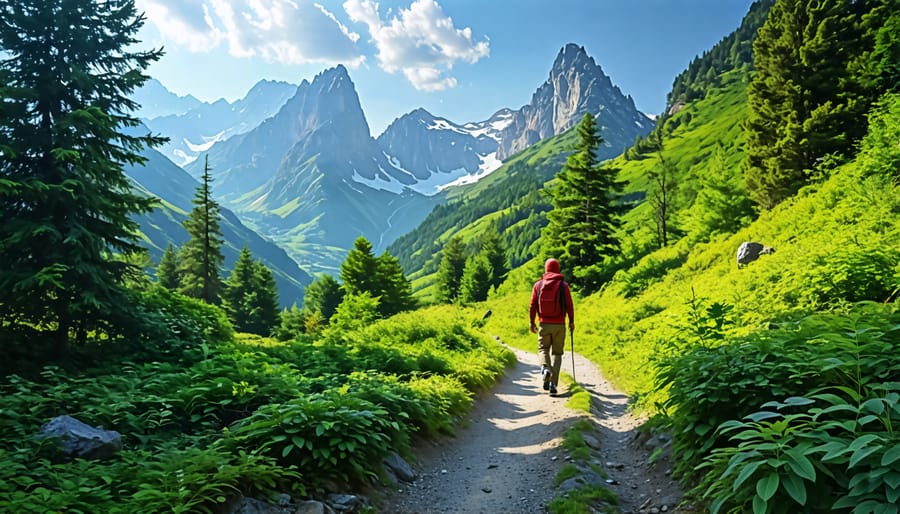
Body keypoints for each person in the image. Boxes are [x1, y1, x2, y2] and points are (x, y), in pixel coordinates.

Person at [529, 258, 574, 395]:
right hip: (560, 324)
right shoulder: (563, 285)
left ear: (546, 269)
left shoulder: (538, 285)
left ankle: (545, 369)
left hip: (544, 323)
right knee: (557, 353)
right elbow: (569, 305)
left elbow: (532, 305)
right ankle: (553, 384)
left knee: (543, 349)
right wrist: (571, 321)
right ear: (558, 269)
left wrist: (532, 322)